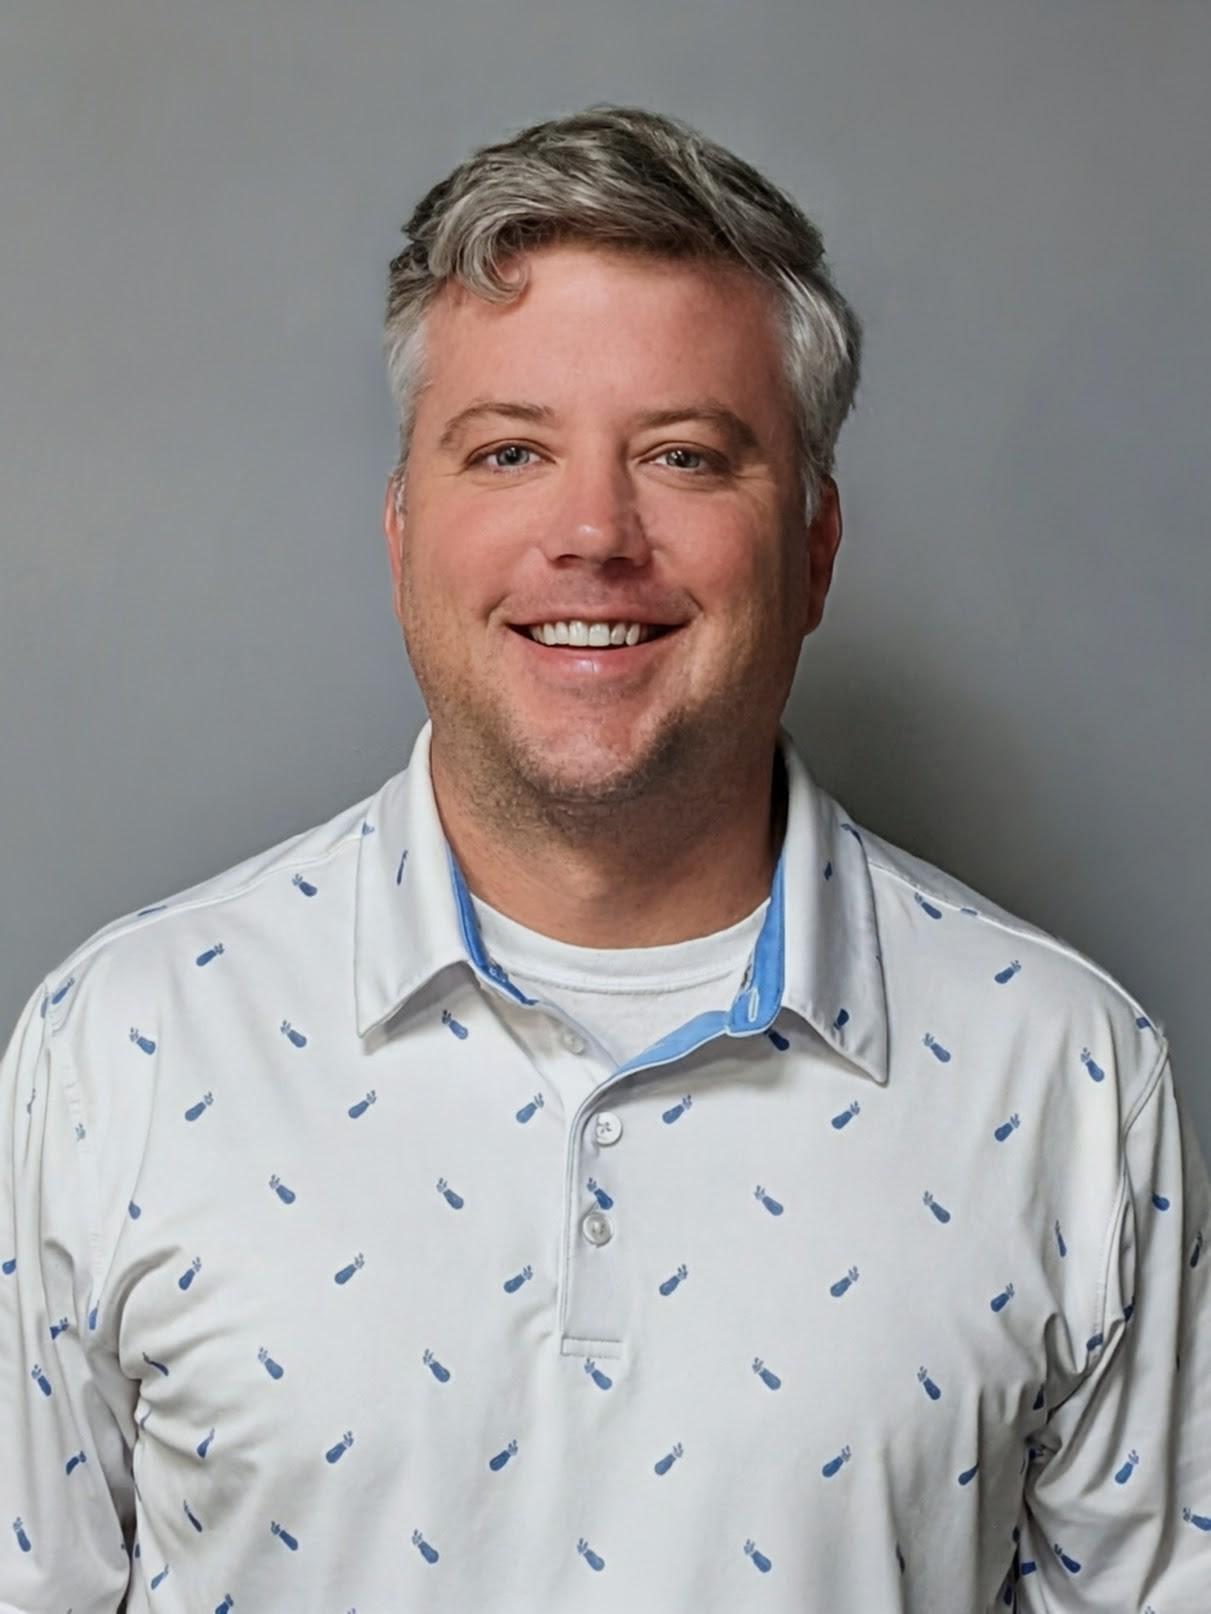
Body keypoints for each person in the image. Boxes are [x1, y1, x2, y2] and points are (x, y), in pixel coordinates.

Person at [2, 102, 1208, 1614]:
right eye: (509, 451)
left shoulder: (1070, 1077)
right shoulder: (117, 1049)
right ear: (399, 533)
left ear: (816, 548)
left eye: (687, 457)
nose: (593, 534)